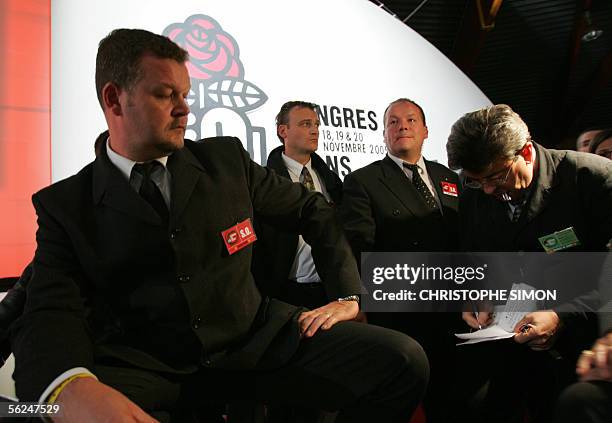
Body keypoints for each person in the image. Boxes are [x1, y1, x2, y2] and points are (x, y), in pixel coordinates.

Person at [9, 29, 429, 423]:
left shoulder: (225, 162)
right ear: (114, 100)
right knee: (31, 413)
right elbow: (50, 309)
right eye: (165, 94)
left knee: (403, 360)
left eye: (185, 94)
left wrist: (348, 295)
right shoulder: (65, 205)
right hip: (149, 369)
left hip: (256, 345)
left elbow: (313, 210)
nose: (184, 108)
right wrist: (68, 386)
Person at [446, 104, 612, 422]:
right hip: (511, 340)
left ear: (525, 151)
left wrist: (563, 316)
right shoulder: (475, 193)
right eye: (476, 181)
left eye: (496, 176)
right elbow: (477, 255)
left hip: (585, 345)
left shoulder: (591, 179)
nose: (490, 189)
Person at [340, 98, 461, 423]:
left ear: (425, 131)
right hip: (399, 313)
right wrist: (357, 300)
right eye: (393, 121)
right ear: (384, 134)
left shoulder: (449, 178)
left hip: (453, 310)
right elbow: (355, 247)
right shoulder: (363, 181)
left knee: (451, 398)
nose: (402, 126)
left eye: (410, 120)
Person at [252, 100, 342, 310]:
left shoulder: (333, 181)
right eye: (305, 124)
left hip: (331, 295)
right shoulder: (264, 183)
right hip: (285, 296)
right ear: (283, 130)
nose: (314, 130)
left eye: (317, 125)